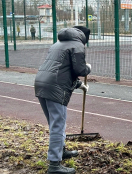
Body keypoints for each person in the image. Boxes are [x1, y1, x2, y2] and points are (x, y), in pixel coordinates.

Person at [34, 26, 91, 174]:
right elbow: (79, 70)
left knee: (55, 123)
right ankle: (54, 166)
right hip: (55, 88)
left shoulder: (57, 44)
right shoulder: (77, 45)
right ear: (83, 37)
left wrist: (79, 84)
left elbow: (62, 68)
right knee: (58, 125)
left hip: (41, 83)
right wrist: (87, 69)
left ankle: (61, 151)